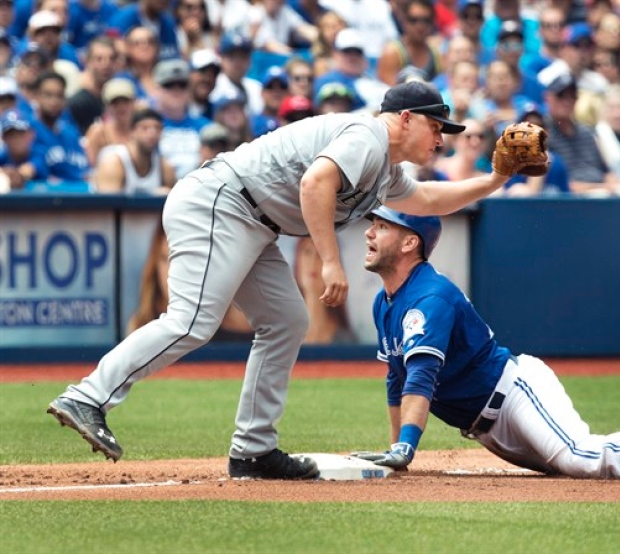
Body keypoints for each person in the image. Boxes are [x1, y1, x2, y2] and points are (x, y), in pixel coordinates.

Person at [46, 80, 509, 481]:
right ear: (405, 118)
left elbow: (426, 197)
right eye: (436, 127)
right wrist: (330, 261)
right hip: (221, 202)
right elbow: (315, 184)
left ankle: (252, 449)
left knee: (287, 319)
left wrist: (494, 179)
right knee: (192, 322)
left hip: (252, 221)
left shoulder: (384, 167)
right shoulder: (367, 135)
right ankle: (89, 397)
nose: (441, 139)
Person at [351, 206, 620, 483]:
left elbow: (421, 378)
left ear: (410, 243)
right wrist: (396, 451)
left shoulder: (430, 297)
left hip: (515, 394)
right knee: (577, 466)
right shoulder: (385, 302)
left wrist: (407, 445)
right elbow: (397, 377)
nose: (369, 233)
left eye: (382, 226)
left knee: (582, 457)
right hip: (488, 426)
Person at [94, 108, 176, 194]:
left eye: (157, 128)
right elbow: (107, 204)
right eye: (145, 128)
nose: (152, 133)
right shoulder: (113, 162)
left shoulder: (165, 167)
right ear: (132, 131)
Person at [83, 78, 137, 167]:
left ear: (134, 102)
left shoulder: (140, 130)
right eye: (115, 103)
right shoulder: (98, 132)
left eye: (126, 101)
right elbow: (90, 166)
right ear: (106, 106)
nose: (121, 107)